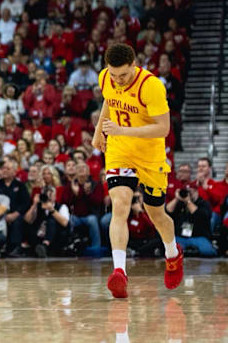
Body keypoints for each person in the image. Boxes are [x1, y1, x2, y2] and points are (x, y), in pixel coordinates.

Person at [93, 44, 183, 299]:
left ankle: (172, 254)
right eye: (114, 75)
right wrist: (99, 130)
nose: (118, 80)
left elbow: (163, 128)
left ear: (134, 65)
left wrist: (123, 131)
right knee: (119, 205)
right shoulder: (106, 77)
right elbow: (109, 102)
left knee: (156, 213)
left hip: (149, 154)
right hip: (120, 150)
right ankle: (119, 271)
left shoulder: (151, 86)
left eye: (123, 75)